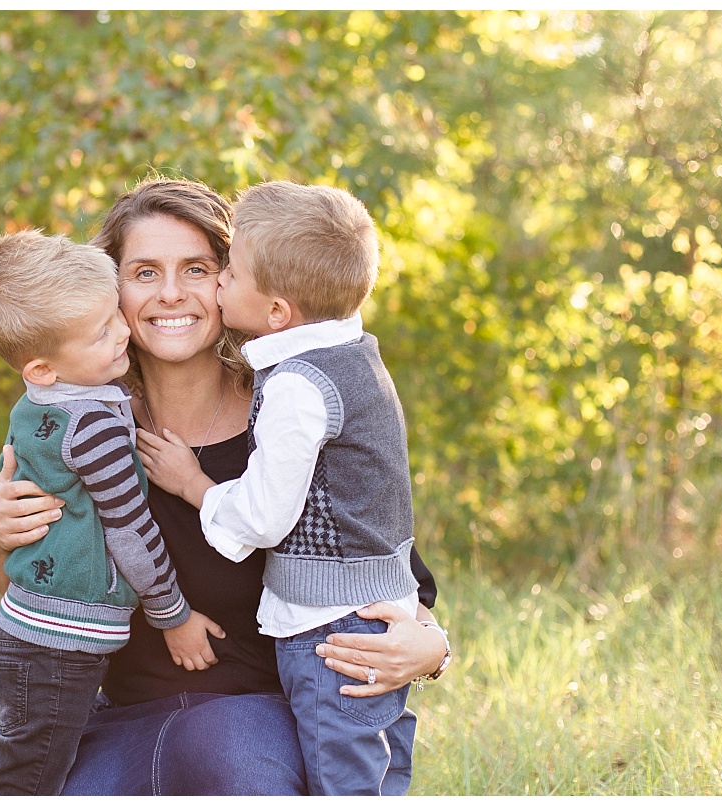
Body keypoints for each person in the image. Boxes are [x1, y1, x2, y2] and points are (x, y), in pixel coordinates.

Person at [0, 176, 453, 796]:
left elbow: (383, 564)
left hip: (249, 719)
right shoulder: (75, 425)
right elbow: (34, 583)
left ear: (234, 284)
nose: (171, 293)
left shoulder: (291, 413)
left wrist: (432, 649)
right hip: (119, 717)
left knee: (227, 762)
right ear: (110, 290)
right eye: (144, 272)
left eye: (197, 269)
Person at [137, 181, 439, 795]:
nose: (211, 285)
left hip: (325, 638)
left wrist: (431, 645)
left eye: (218, 270)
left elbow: (304, 522)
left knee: (346, 782)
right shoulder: (351, 360)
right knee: (370, 774)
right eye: (144, 271)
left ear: (277, 309)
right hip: (134, 713)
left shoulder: (295, 393)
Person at [0, 230, 213, 795]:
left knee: (33, 771)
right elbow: (129, 530)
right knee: (32, 786)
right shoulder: (95, 425)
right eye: (103, 331)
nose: (124, 329)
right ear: (42, 368)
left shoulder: (41, 403)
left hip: (34, 629)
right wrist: (173, 616)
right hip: (61, 643)